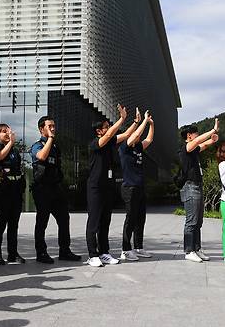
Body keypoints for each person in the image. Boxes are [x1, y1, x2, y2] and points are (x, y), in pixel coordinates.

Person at [86, 105, 139, 267]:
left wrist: (136, 122)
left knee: (105, 222)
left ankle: (104, 253)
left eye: (108, 127)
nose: (109, 130)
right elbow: (110, 134)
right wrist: (121, 118)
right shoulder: (95, 143)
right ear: (99, 131)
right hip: (95, 187)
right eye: (106, 128)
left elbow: (126, 134)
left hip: (107, 187)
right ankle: (92, 255)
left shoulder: (110, 143)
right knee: (94, 222)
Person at [30, 116, 81, 264]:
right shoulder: (37, 145)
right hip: (42, 189)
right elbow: (41, 156)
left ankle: (64, 251)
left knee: (64, 219)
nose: (53, 128)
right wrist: (50, 139)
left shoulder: (55, 147)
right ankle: (41, 253)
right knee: (42, 221)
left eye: (53, 126)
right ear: (41, 129)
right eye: (49, 126)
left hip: (55, 188)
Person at [178, 119, 219, 263]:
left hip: (197, 186)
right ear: (189, 136)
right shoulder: (186, 148)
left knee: (198, 221)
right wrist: (212, 131)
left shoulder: (194, 150)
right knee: (191, 221)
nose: (198, 135)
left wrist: (212, 140)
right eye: (196, 133)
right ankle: (189, 250)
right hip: (190, 187)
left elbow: (203, 144)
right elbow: (199, 142)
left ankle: (196, 248)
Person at [119, 110, 155, 261]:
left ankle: (138, 247)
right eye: (136, 135)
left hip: (140, 187)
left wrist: (151, 125)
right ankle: (125, 250)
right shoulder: (124, 147)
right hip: (129, 188)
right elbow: (134, 135)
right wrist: (144, 121)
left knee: (141, 218)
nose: (138, 137)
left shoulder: (138, 147)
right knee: (131, 219)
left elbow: (149, 139)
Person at [0, 124, 26, 265]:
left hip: (15, 191)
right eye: (3, 132)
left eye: (8, 131)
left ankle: (13, 253)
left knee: (13, 223)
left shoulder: (15, 151)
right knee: (0, 223)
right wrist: (11, 142)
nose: (7, 133)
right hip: (2, 191)